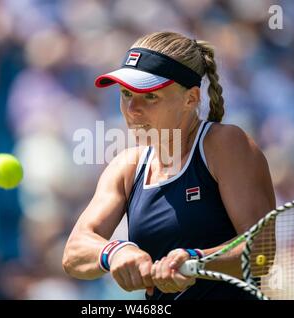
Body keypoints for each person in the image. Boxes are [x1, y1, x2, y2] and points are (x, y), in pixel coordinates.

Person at [62, 31, 275, 300]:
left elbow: (262, 252)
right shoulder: (126, 165)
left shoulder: (226, 144)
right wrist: (114, 252)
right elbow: (74, 253)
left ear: (191, 98)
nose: (132, 109)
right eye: (126, 93)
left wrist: (195, 262)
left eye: (150, 96)